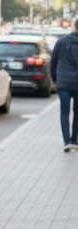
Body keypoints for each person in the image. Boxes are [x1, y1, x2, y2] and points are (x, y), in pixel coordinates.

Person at [49, 17, 78, 152]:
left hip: (64, 83)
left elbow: (53, 62)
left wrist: (55, 80)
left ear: (74, 27)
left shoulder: (61, 42)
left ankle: (66, 141)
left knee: (64, 112)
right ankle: (75, 141)